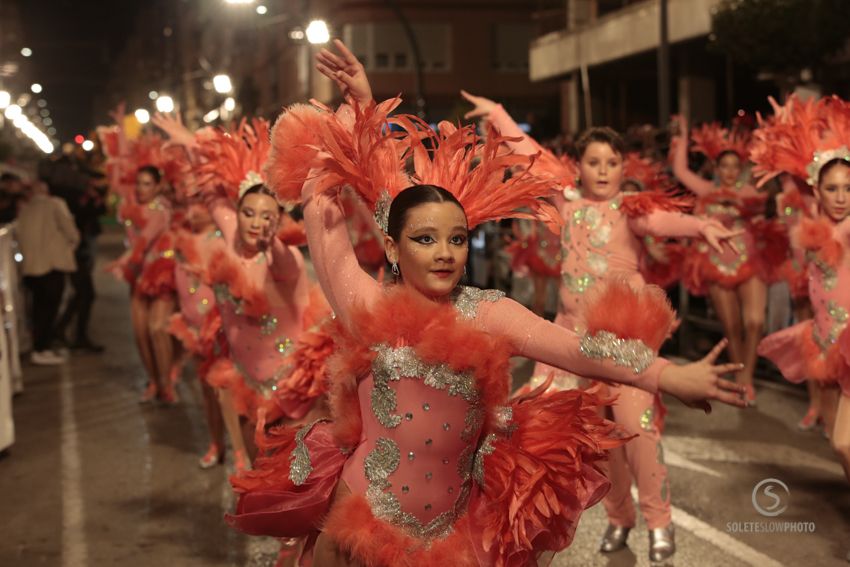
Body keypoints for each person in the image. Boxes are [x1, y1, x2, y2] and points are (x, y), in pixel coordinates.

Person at [224, 39, 747, 567]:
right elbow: (322, 204)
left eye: (457, 239)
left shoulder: (488, 312)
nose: (445, 253)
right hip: (357, 534)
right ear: (393, 248)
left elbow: (579, 349)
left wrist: (665, 375)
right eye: (425, 239)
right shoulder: (363, 303)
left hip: (453, 542)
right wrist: (359, 108)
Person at [462, 91, 743, 562]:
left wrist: (702, 228)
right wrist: (499, 115)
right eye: (594, 162)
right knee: (585, 436)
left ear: (622, 167)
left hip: (623, 342)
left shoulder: (631, 210)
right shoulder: (568, 201)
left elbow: (664, 220)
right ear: (580, 167)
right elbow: (535, 159)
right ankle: (619, 517)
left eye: (612, 162)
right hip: (570, 341)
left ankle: (659, 522)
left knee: (637, 429)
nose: (604, 170)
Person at [752, 94, 850, 480]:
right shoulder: (813, 222)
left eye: (848, 188)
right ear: (818, 191)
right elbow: (796, 181)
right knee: (838, 442)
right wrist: (789, 140)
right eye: (833, 189)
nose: (841, 197)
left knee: (844, 443)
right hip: (826, 341)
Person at [669, 117, 776, 405]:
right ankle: (742, 378)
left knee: (755, 321)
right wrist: (680, 136)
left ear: (741, 170)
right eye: (724, 166)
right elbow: (680, 171)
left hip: (750, 262)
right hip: (716, 265)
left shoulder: (751, 192)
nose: (729, 172)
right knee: (731, 327)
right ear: (716, 169)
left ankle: (747, 376)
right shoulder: (707, 191)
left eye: (734, 166)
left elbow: (768, 192)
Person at [16, 181, 80, 365]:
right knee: (50, 309)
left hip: (31, 268)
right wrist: (71, 246)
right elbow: (71, 232)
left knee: (37, 309)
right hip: (52, 266)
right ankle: (43, 347)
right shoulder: (55, 204)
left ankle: (40, 347)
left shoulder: (24, 210)